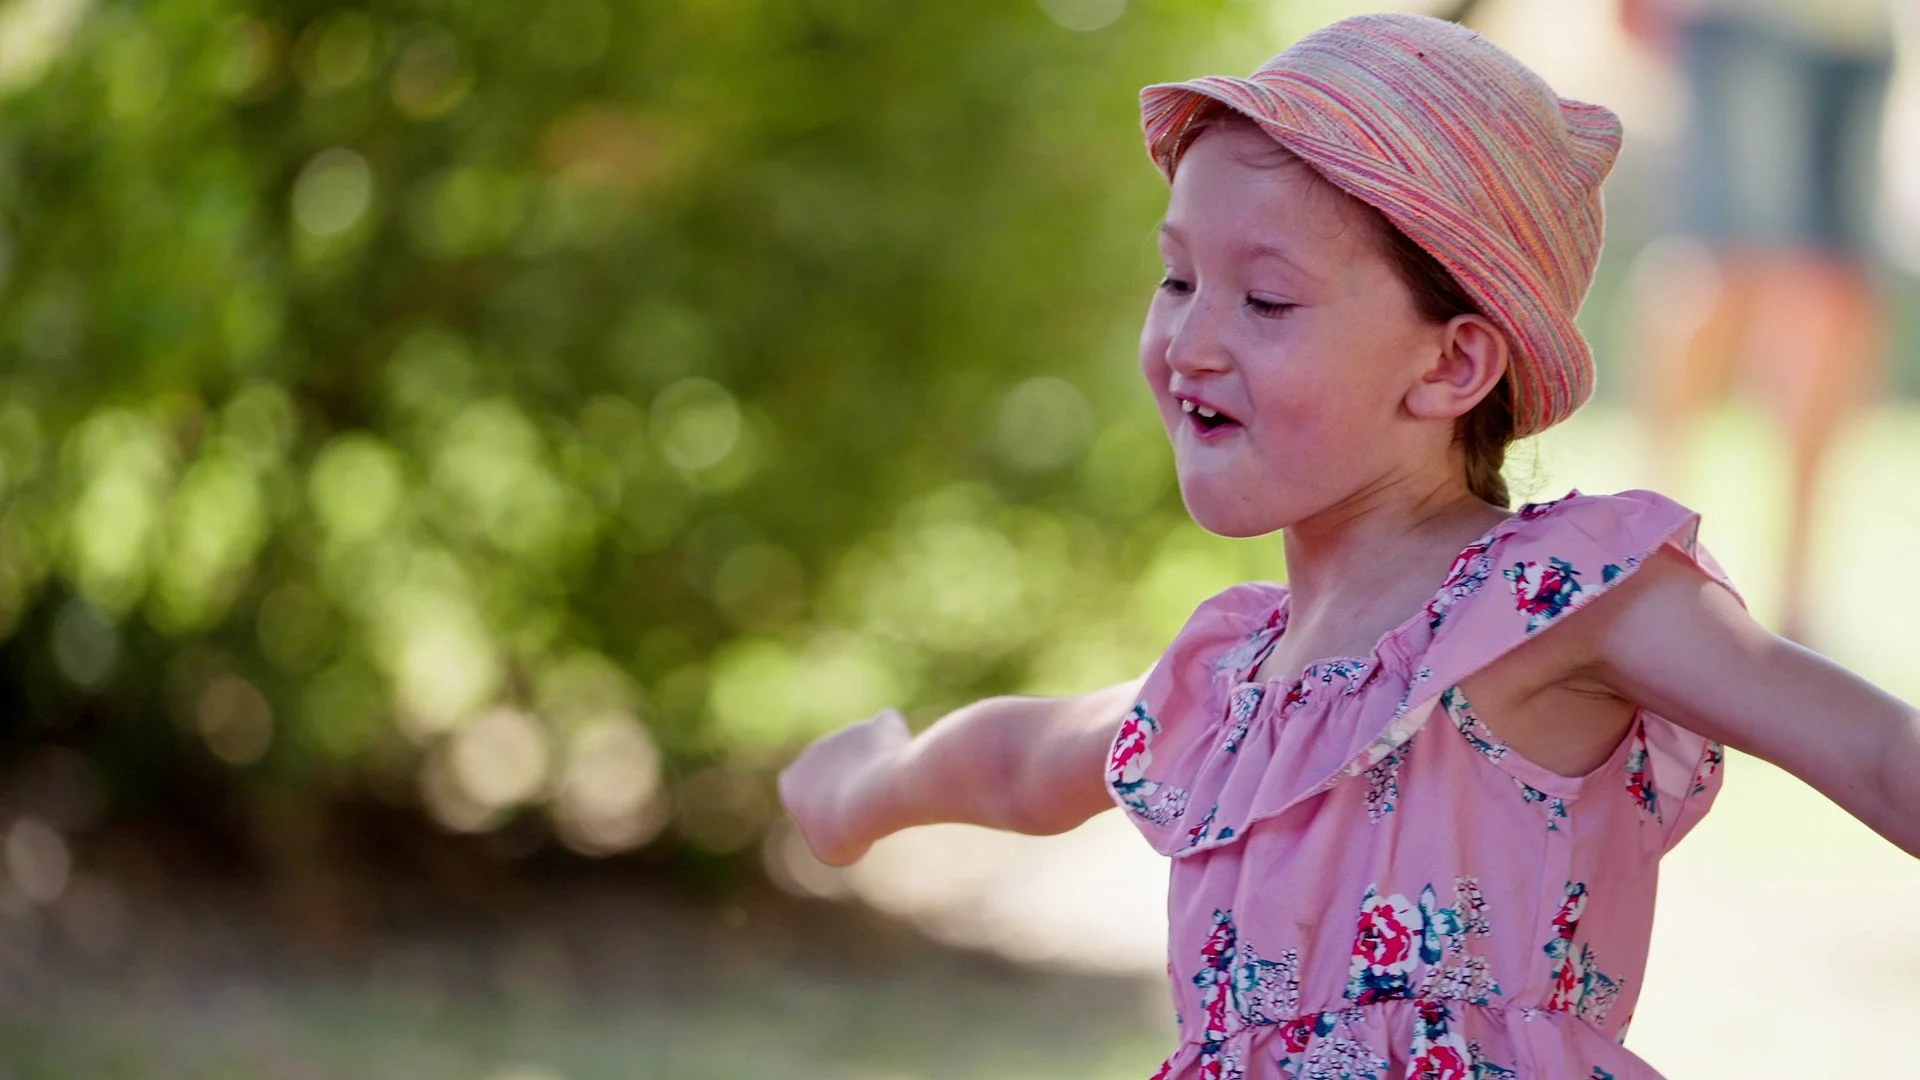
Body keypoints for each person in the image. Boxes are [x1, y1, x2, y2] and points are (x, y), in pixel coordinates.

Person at [778, 14, 1920, 1079]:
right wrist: (870, 788)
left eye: (1266, 301)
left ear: (1451, 366)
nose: (1193, 340)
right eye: (1178, 279)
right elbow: (1031, 760)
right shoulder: (1230, 681)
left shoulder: (1559, 599)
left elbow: (1878, 757)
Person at [1618, 0, 1895, 645]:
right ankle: (1643, 546)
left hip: (1858, 29)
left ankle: (1798, 592)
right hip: (1740, 19)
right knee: (1724, 269)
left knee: (1838, 301)